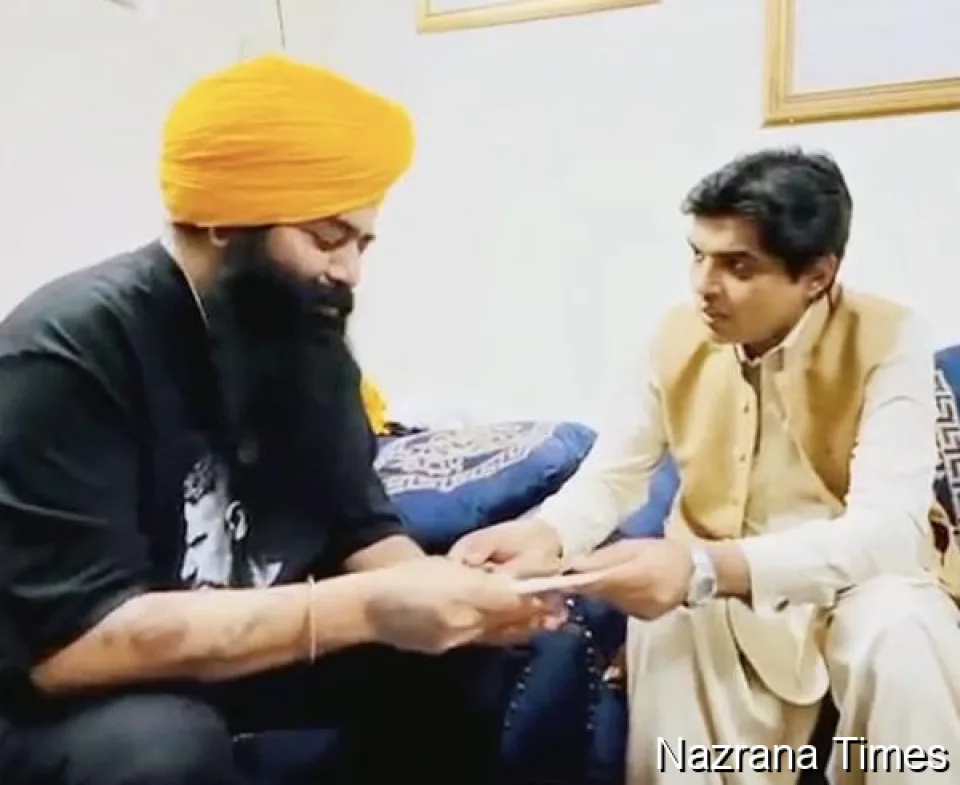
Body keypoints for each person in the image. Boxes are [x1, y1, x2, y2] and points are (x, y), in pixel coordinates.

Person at [0, 55, 552, 785]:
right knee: (163, 745)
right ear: (225, 220)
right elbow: (71, 645)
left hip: (229, 651)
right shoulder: (67, 352)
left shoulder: (299, 333)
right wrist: (368, 607)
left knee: (464, 658)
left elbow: (358, 527)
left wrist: (462, 598)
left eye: (362, 244)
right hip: (62, 689)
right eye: (326, 239)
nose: (349, 272)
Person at [451, 148, 960, 784]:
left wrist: (703, 568)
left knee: (903, 629)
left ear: (817, 275)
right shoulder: (674, 335)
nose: (704, 286)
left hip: (853, 581)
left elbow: (886, 533)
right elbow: (613, 475)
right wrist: (543, 535)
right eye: (698, 255)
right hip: (710, 594)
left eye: (737, 265)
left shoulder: (890, 337)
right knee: (666, 624)